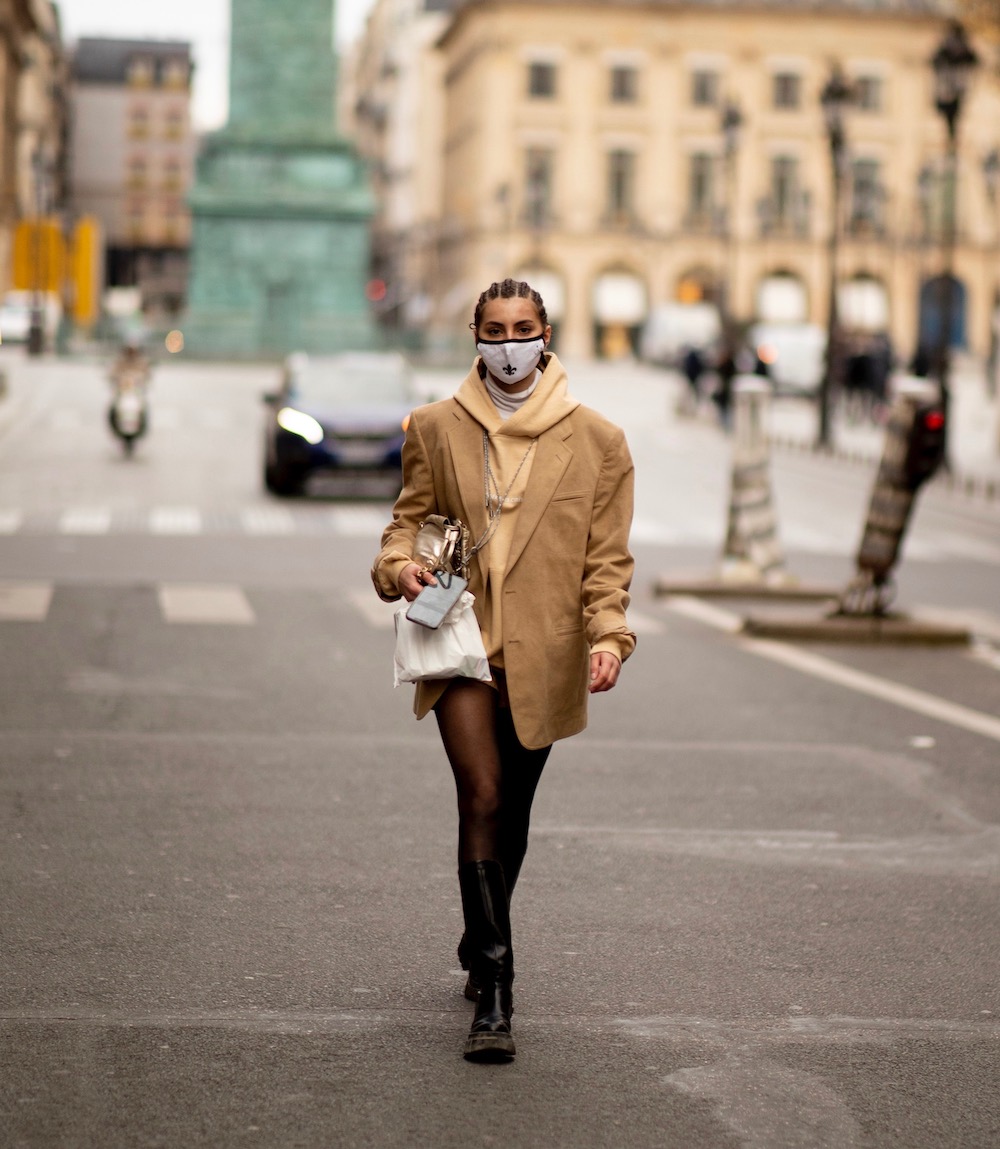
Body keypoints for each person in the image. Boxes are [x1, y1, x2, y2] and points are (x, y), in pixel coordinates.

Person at [372, 278, 636, 1062]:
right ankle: (495, 991)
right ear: (475, 337)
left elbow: (606, 562)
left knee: (512, 811)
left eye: (523, 328)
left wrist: (609, 637)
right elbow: (407, 523)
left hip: (546, 649)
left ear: (546, 333)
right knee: (480, 792)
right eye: (495, 329)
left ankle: (479, 929)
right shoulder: (435, 426)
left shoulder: (599, 441)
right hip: (457, 640)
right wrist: (398, 568)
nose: (510, 342)